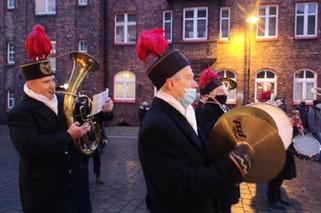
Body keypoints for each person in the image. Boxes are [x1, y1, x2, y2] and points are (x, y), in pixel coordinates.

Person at [136, 28, 253, 213]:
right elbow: (182, 185)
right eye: (190, 78)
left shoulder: (181, 111)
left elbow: (200, 156)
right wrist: (231, 167)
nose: (196, 84)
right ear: (171, 83)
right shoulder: (156, 126)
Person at [7, 24, 107, 213]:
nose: (52, 85)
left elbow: (86, 118)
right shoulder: (20, 112)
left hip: (76, 187)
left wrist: (103, 110)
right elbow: (31, 146)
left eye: (52, 79)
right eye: (46, 82)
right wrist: (68, 136)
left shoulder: (63, 100)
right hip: (46, 193)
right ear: (31, 84)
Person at [196, 70, 240, 212]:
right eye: (220, 91)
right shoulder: (208, 110)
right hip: (219, 161)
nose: (224, 94)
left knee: (228, 199)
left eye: (224, 90)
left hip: (227, 158)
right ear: (210, 94)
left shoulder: (223, 107)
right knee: (222, 201)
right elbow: (210, 136)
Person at [265, 98, 297, 210]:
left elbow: (290, 133)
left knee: (280, 177)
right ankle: (272, 199)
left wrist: (295, 127)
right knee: (275, 177)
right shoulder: (271, 120)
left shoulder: (284, 119)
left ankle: (277, 197)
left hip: (285, 150)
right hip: (276, 152)